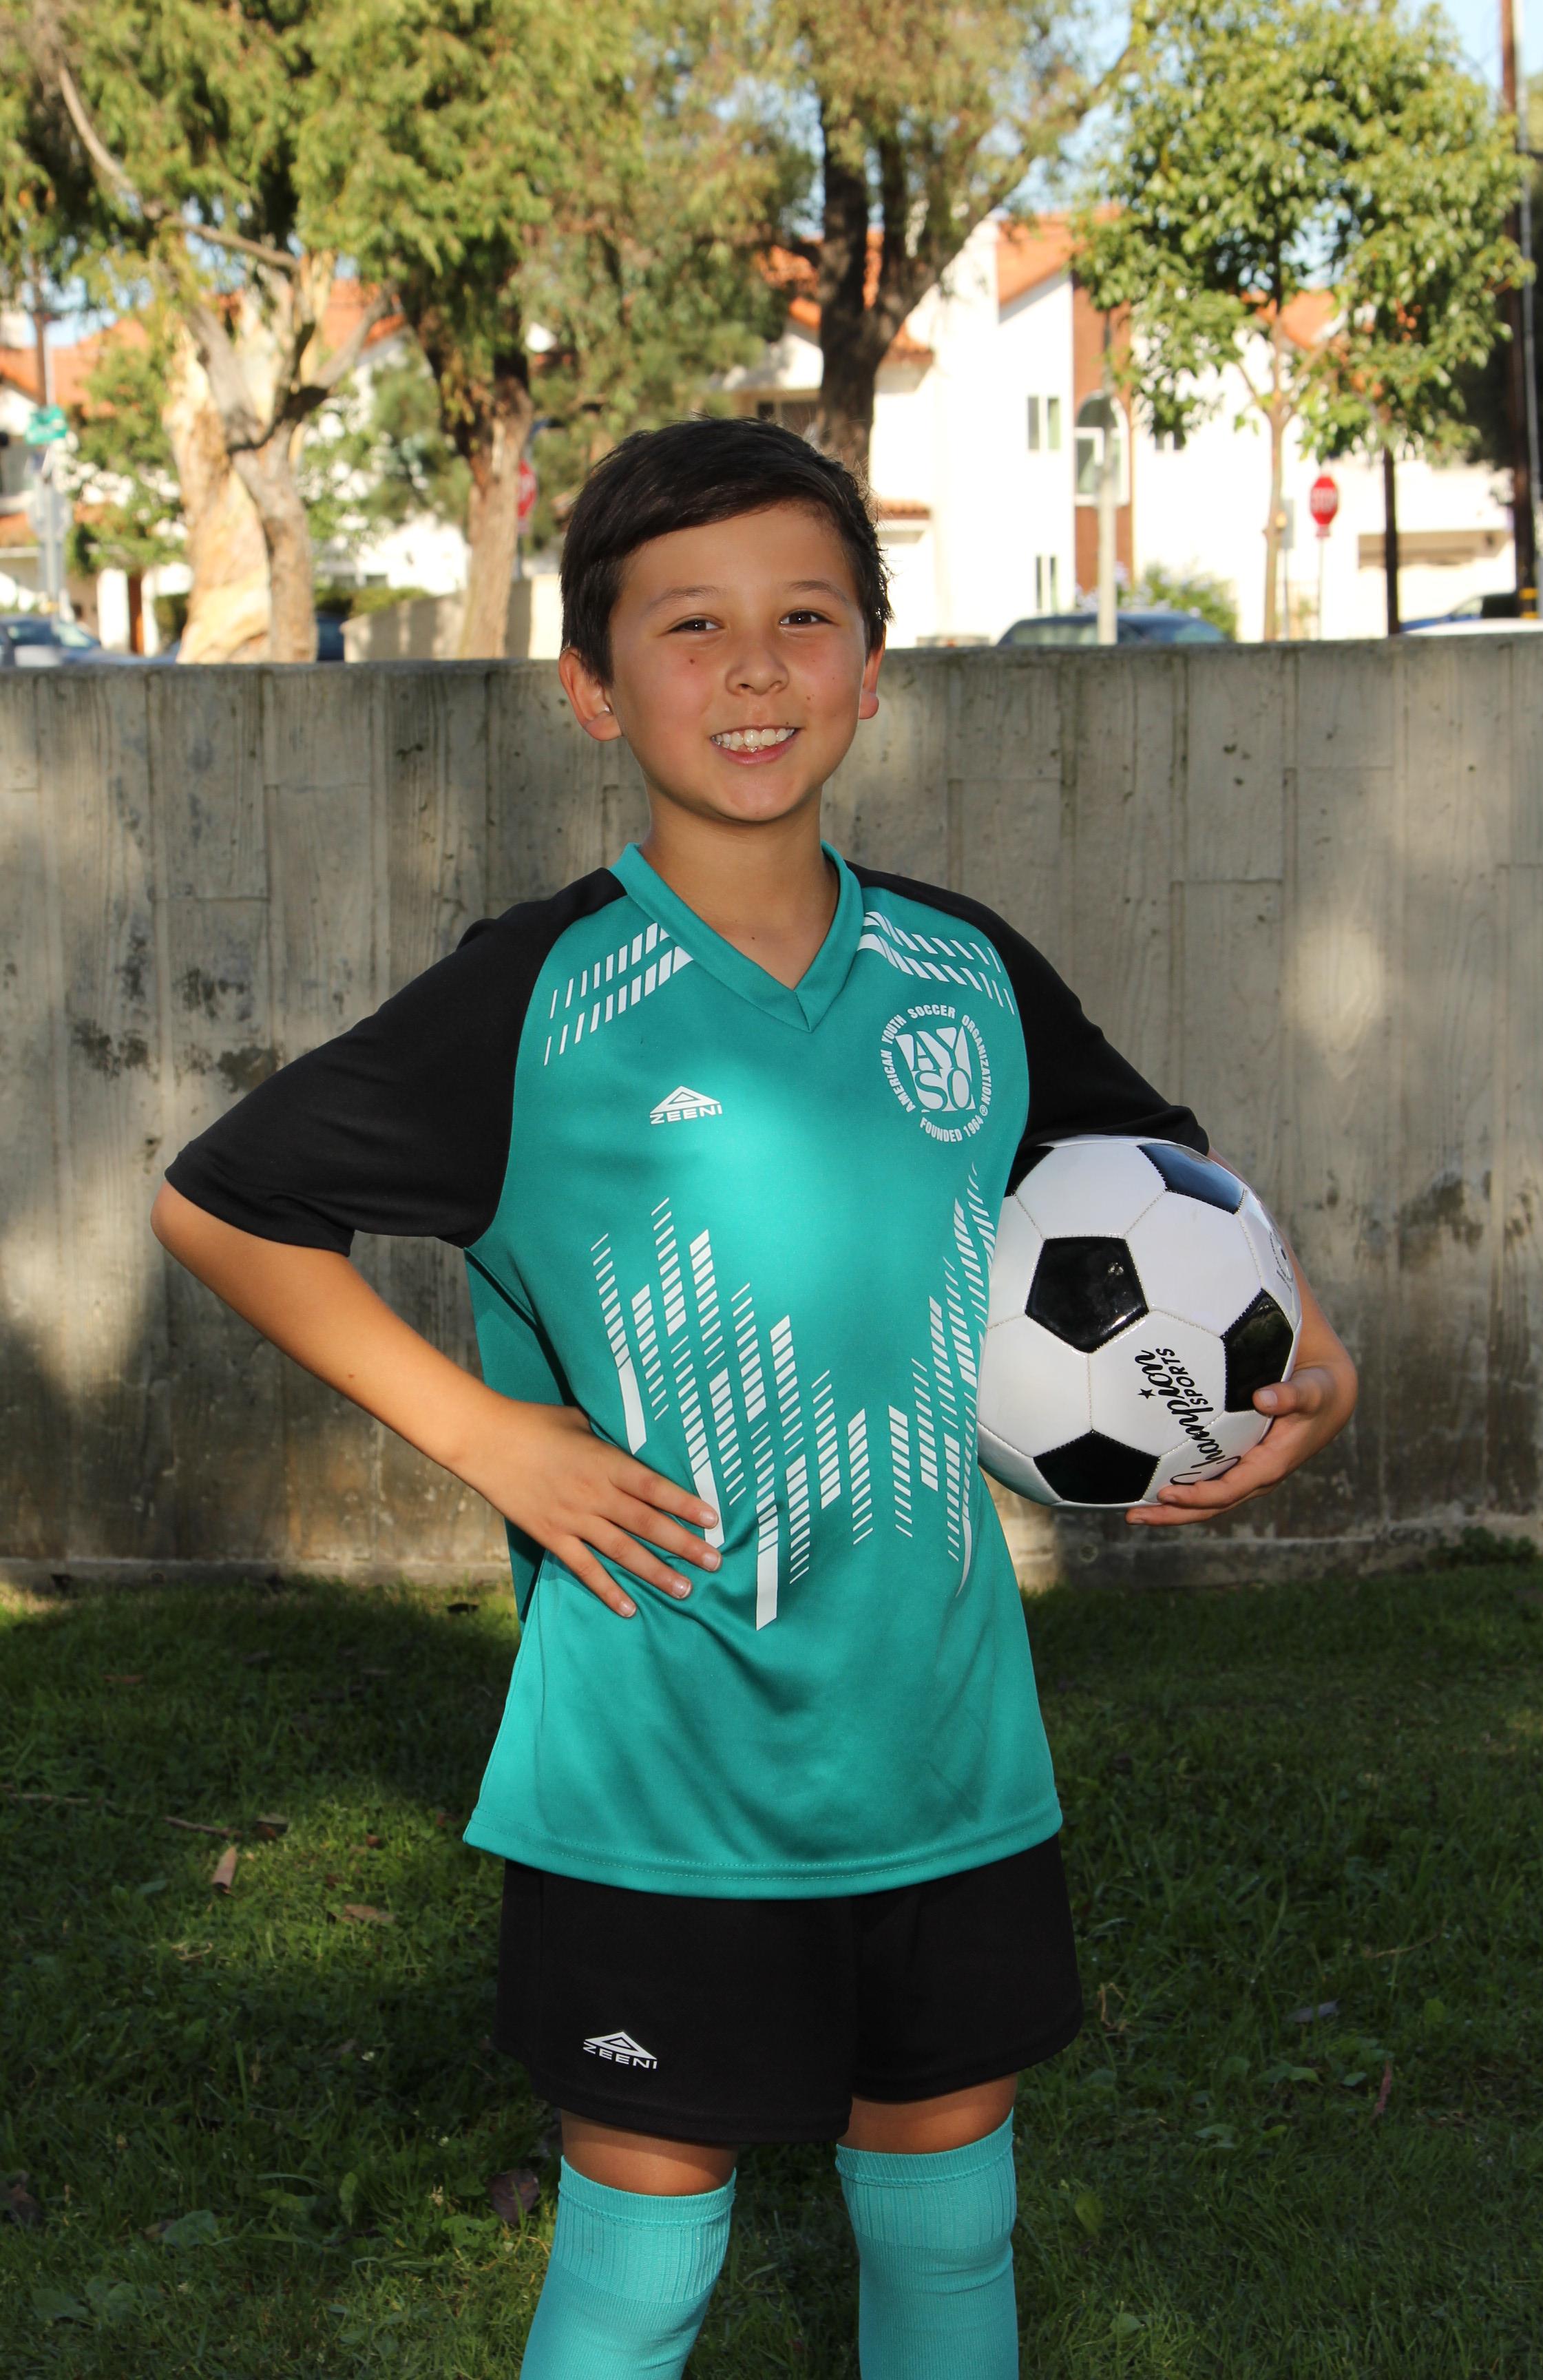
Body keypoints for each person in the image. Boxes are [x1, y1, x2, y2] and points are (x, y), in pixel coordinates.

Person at [152, 417, 1356, 2377]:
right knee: (644, 2263)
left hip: (947, 1745)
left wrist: (1308, 1358)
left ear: (873, 665)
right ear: (591, 685)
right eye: (689, 624)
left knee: (952, 2226)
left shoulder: (966, 975)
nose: (753, 668)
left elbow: (1172, 1201)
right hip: (661, 1770)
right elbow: (220, 1204)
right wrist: (485, 1436)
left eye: (804, 618)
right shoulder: (536, 998)